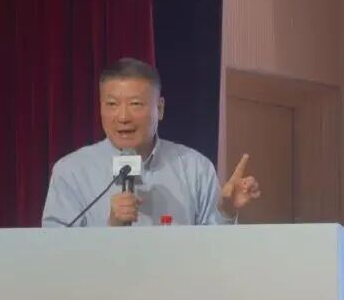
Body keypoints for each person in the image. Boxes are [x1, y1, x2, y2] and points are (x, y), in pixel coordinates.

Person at [41, 58, 261, 227]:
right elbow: (53, 253)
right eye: (112, 104)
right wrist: (110, 229)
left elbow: (215, 254)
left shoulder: (195, 168)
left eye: (136, 104)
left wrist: (226, 212)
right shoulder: (71, 171)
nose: (123, 117)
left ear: (160, 108)